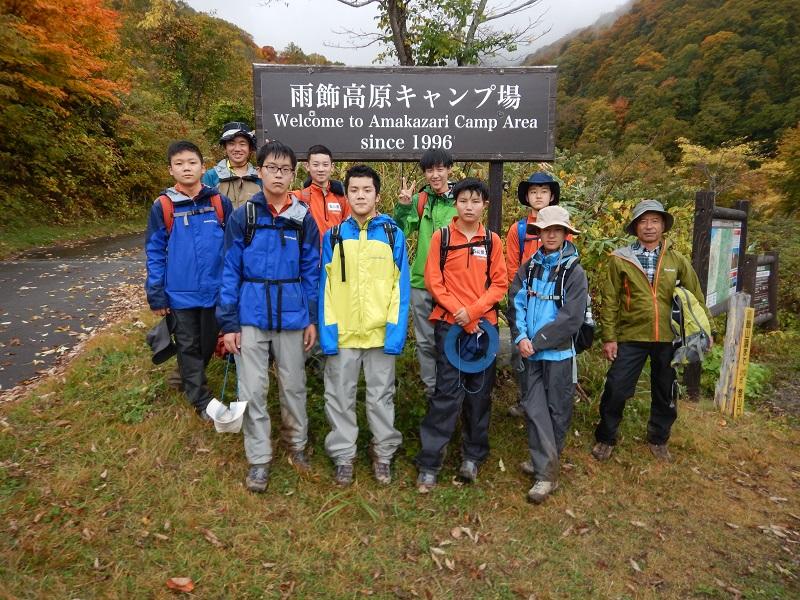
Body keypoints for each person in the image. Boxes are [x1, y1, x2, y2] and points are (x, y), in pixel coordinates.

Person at [217, 141, 320, 493]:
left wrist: (311, 317)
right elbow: (229, 270)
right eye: (272, 168)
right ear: (259, 171)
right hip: (251, 313)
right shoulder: (243, 216)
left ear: (293, 175)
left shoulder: (303, 218)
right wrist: (229, 323)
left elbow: (311, 271)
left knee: (294, 385)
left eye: (285, 170)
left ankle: (297, 445)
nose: (278, 175)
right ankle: (259, 459)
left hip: (291, 314)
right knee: (252, 389)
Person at [593, 199, 711, 463]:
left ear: (663, 226)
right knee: (616, 387)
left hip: (668, 337)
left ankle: (659, 439)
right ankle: (606, 437)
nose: (649, 226)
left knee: (665, 390)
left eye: (655, 221)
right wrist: (609, 337)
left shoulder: (676, 260)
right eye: (643, 221)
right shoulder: (620, 259)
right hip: (631, 335)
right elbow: (610, 301)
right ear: (635, 227)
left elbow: (695, 297)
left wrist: (704, 331)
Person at [318, 165, 410, 486]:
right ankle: (344, 455)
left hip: (380, 334)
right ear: (347, 194)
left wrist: (395, 334)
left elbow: (400, 288)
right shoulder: (333, 236)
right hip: (343, 334)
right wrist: (328, 334)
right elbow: (325, 289)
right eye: (354, 190)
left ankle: (383, 454)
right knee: (339, 396)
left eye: (366, 190)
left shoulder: (392, 235)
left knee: (381, 397)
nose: (360, 196)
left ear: (377, 196)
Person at [415, 178, 508, 492]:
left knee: (479, 394)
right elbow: (434, 282)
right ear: (455, 203)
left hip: (484, 329)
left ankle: (473, 456)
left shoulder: (492, 241)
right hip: (449, 326)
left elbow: (499, 283)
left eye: (475, 201)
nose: (469, 207)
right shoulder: (442, 237)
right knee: (446, 393)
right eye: (464, 200)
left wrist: (474, 313)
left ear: (485, 205)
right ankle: (430, 462)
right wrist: (460, 313)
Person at [145, 140, 233, 420]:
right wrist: (156, 293)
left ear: (203, 167)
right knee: (188, 344)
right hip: (180, 293)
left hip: (215, 290)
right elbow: (155, 251)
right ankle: (202, 400)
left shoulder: (219, 202)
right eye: (179, 163)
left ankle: (187, 377)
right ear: (170, 170)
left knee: (206, 344)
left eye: (192, 163)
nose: (186, 168)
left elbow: (232, 247)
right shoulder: (163, 205)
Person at [507, 205, 588, 504]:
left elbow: (571, 318)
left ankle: (546, 467)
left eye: (557, 230)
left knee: (557, 411)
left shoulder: (574, 272)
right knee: (534, 408)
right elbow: (515, 302)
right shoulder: (529, 267)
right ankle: (545, 469)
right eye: (545, 230)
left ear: (566, 233)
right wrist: (520, 337)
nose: (551, 235)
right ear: (538, 233)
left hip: (558, 355)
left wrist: (537, 342)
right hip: (529, 352)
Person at [394, 148, 457, 400]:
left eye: (440, 169)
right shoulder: (420, 200)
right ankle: (433, 393)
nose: (435, 175)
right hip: (421, 283)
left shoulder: (461, 200)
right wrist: (403, 207)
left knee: (451, 339)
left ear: (449, 169)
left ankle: (451, 390)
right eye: (430, 170)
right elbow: (401, 231)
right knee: (425, 341)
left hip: (453, 285)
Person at [505, 172, 563, 419]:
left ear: (552, 196)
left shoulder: (562, 227)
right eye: (533, 192)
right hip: (525, 303)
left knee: (553, 352)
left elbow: (568, 264)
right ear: (527, 197)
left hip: (553, 305)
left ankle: (550, 403)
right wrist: (520, 296)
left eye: (544, 191)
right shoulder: (518, 230)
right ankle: (526, 399)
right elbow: (511, 268)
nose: (538, 196)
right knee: (521, 352)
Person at [202, 121, 262, 209]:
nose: (237, 149)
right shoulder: (211, 176)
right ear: (225, 147)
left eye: (242, 144)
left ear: (250, 148)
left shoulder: (260, 176)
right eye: (231, 144)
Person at [296, 144, 350, 239]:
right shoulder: (299, 197)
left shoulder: (342, 199)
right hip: (310, 248)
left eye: (325, 165)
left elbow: (349, 229)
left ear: (332, 167)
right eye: (315, 165)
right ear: (307, 166)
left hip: (336, 248)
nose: (320, 169)